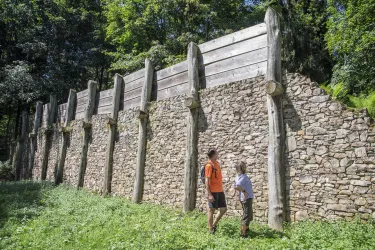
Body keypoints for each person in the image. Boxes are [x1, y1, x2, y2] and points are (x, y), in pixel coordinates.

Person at [205, 149, 227, 234]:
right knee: (211, 210)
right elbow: (207, 180)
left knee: (223, 209)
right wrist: (209, 194)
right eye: (217, 153)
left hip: (220, 190)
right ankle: (210, 230)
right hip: (213, 191)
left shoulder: (217, 164)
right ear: (214, 154)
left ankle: (213, 225)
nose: (218, 154)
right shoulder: (209, 165)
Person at [234, 161, 254, 238]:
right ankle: (243, 234)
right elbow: (237, 186)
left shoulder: (238, 176)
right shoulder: (243, 177)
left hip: (246, 198)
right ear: (243, 168)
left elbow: (235, 185)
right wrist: (244, 191)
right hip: (246, 198)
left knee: (249, 214)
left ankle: (247, 228)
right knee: (246, 215)